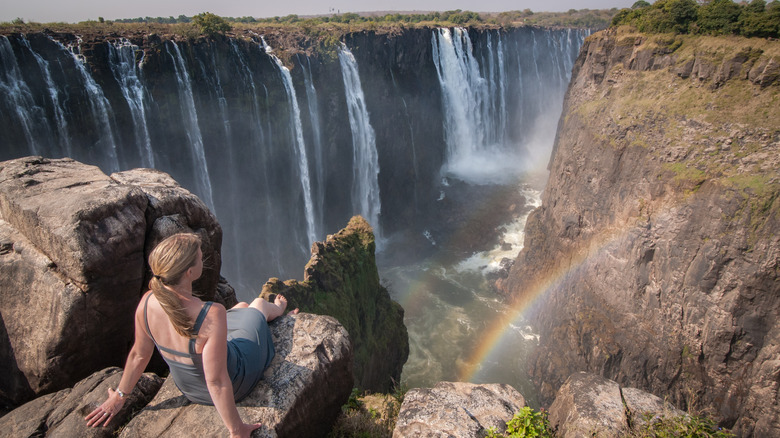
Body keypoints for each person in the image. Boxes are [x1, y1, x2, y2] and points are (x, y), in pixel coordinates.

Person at [85, 233, 296, 438]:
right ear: (189, 272)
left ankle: (252, 311)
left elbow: (138, 355)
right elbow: (217, 381)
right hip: (237, 381)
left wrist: (120, 396)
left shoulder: (147, 303)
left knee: (240, 307)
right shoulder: (210, 313)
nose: (203, 259)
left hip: (190, 389)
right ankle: (279, 310)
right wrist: (236, 430)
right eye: (200, 257)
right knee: (258, 305)